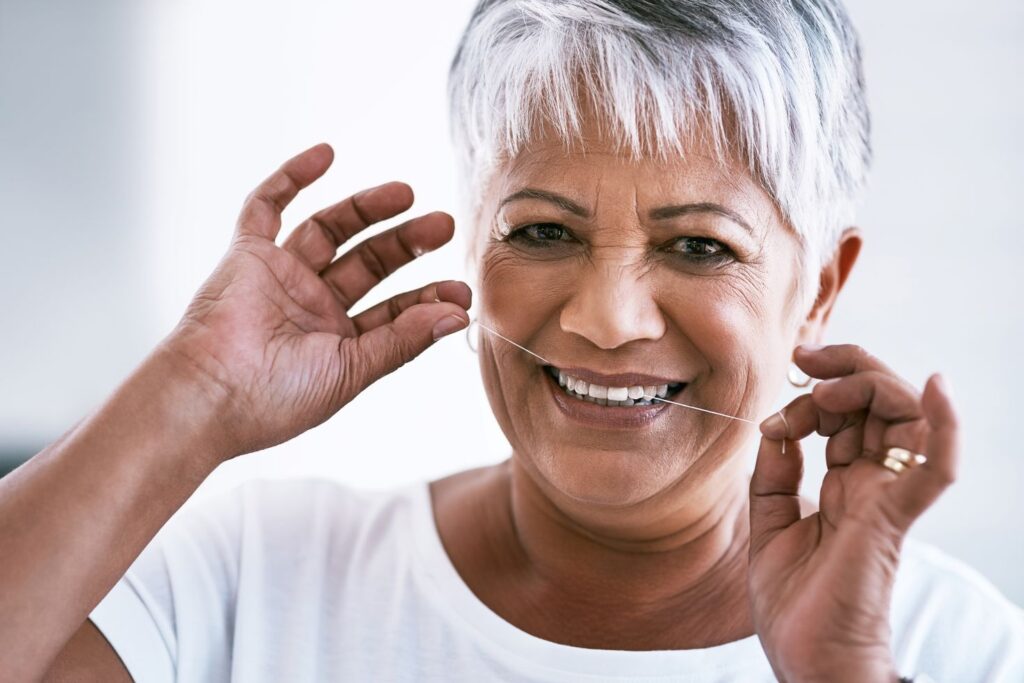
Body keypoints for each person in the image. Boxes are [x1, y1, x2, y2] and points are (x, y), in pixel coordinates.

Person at [3, 0, 1022, 681]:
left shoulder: (950, 642)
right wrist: (193, 392)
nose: (607, 318)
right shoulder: (253, 580)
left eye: (700, 246)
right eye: (542, 232)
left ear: (819, 290)